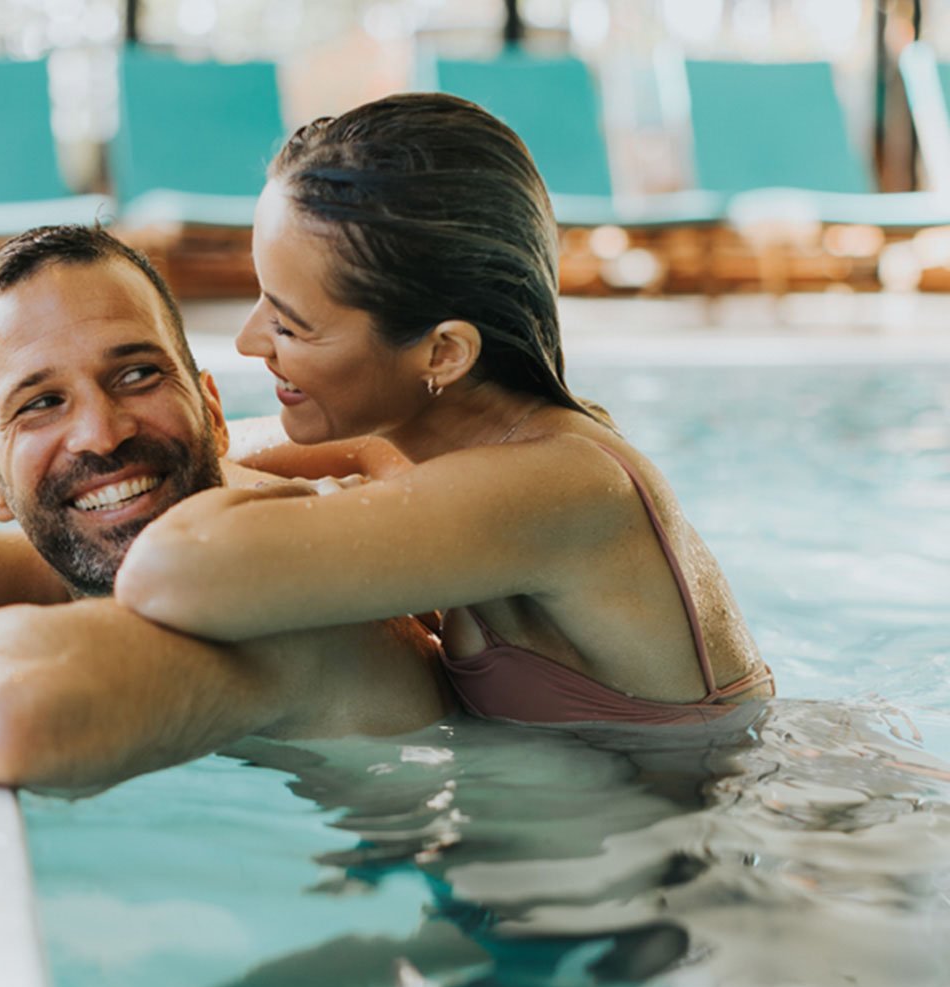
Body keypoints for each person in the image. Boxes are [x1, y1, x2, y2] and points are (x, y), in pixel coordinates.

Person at [114, 93, 774, 725]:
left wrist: (317, 501)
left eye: (289, 325)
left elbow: (169, 573)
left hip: (727, 800)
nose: (248, 340)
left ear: (444, 353)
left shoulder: (557, 485)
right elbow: (188, 452)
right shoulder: (417, 443)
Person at [0, 224, 451, 790]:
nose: (102, 434)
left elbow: (15, 714)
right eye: (41, 403)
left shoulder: (283, 571)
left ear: (213, 410)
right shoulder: (80, 558)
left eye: (136, 374)